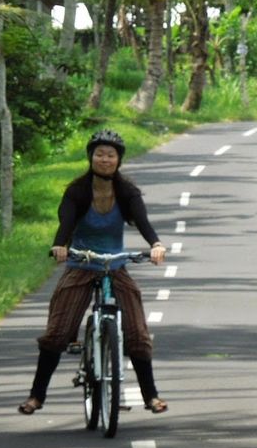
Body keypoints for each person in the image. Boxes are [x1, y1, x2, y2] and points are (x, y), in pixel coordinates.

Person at [17, 128, 169, 416]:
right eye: (99, 154)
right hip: (81, 263)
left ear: (118, 160)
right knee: (57, 334)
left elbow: (143, 222)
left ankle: (151, 395)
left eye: (111, 155)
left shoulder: (127, 192)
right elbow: (66, 223)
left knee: (137, 333)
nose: (105, 160)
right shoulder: (77, 191)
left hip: (115, 265)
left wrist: (156, 244)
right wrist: (60, 246)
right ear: (90, 157)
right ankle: (36, 396)